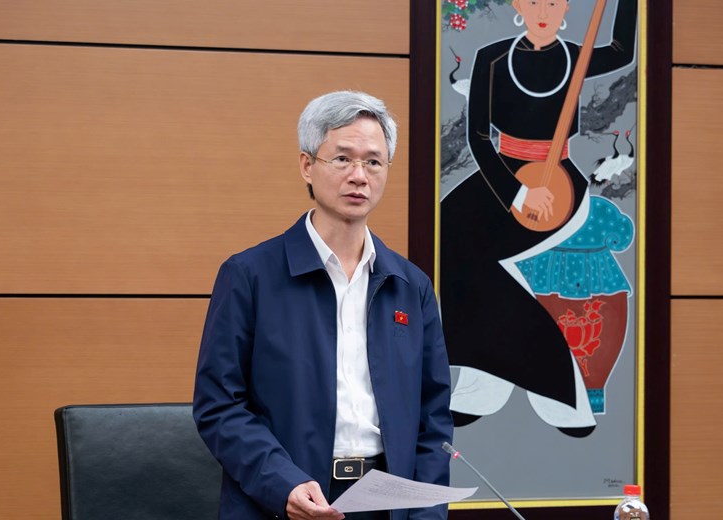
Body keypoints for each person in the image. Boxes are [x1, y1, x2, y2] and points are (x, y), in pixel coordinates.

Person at [194, 90, 453, 520]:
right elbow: (219, 405)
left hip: (388, 504)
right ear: (307, 166)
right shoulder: (250, 276)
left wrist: (425, 515)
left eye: (374, 162)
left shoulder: (411, 287)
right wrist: (282, 484)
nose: (359, 176)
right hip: (285, 502)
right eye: (343, 158)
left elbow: (434, 419)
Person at [441, 0, 637, 434]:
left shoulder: (575, 57)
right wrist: (516, 193)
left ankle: (551, 394)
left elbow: (623, 51)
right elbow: (479, 137)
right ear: (518, 6)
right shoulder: (491, 58)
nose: (543, 10)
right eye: (533, 1)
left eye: (552, 1)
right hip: (502, 177)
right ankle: (486, 382)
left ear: (565, 7)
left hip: (558, 183)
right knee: (445, 238)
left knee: (482, 264)